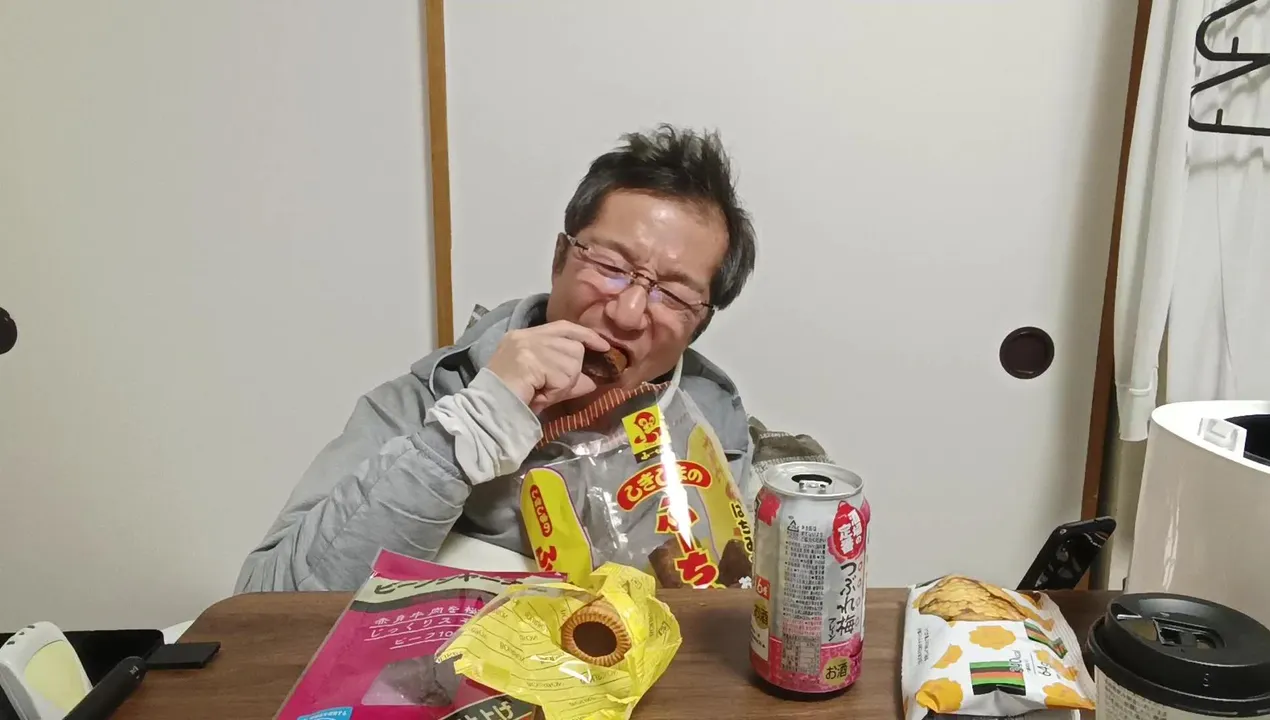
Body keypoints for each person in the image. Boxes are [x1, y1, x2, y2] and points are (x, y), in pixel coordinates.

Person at [235, 124, 758, 592]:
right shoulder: (423, 403)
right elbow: (266, 609)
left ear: (700, 323)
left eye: (674, 294)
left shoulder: (711, 425)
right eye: (611, 266)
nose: (628, 313)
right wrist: (465, 435)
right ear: (560, 257)